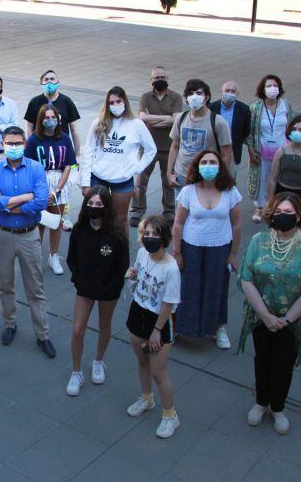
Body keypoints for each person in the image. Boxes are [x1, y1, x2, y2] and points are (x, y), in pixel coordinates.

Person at [237, 192, 301, 435]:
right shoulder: (258, 241)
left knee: (283, 365)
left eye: (288, 213)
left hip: (291, 322)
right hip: (259, 316)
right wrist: (265, 315)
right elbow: (246, 278)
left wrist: (286, 319)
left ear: (299, 216)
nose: (282, 217)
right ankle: (260, 402)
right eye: (278, 212)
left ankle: (278, 408)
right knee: (262, 359)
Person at [0, 127, 55, 358]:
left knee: (35, 288)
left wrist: (9, 205)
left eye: (17, 143)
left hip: (28, 234)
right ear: (3, 144)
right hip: (1, 234)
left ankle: (42, 334)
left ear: (24, 144)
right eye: (9, 143)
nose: (13, 147)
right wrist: (26, 198)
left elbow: (41, 201)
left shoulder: (35, 168)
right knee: (5, 283)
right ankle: (10, 324)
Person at [171, 149, 242, 349]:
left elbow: (236, 224)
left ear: (220, 167)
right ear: (197, 166)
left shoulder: (230, 191)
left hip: (220, 248)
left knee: (216, 287)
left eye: (213, 162)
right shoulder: (188, 191)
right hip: (191, 247)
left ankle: (218, 328)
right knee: (188, 288)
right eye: (204, 162)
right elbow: (178, 223)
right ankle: (179, 327)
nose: (208, 166)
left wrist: (233, 254)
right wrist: (176, 252)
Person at [65, 187, 128, 397]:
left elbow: (122, 265)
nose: (94, 208)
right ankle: (76, 372)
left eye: (99, 205)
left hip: (109, 290)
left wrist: (113, 286)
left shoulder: (117, 234)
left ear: (107, 207)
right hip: (85, 288)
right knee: (77, 330)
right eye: (90, 204)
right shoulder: (79, 230)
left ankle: (99, 361)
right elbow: (71, 259)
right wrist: (78, 279)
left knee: (104, 325)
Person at [124, 215, 182, 439]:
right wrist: (132, 275)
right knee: (141, 360)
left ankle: (170, 416)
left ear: (164, 238)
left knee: (159, 373)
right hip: (138, 311)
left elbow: (169, 302)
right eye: (146, 234)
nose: (149, 238)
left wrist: (157, 330)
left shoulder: (171, 268)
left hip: (158, 320)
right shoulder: (141, 254)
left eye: (155, 234)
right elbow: (137, 273)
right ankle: (146, 399)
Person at [79, 86, 156, 236]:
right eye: (111, 102)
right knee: (95, 216)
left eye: (118, 101)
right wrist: (85, 182)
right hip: (98, 177)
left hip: (122, 180)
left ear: (125, 102)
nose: (115, 105)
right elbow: (88, 152)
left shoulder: (136, 124)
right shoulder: (98, 123)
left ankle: (122, 254)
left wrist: (137, 168)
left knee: (120, 219)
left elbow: (151, 150)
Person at [27, 104, 79, 275]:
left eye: (53, 117)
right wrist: (41, 190)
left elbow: (68, 166)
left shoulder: (64, 138)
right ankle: (35, 257)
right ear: (41, 120)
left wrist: (56, 190)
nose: (50, 120)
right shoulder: (34, 139)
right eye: (46, 117)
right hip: (40, 182)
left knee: (56, 222)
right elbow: (30, 166)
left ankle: (54, 256)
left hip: (59, 184)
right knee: (40, 222)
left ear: (58, 119)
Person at [133, 67, 183, 224]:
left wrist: (151, 119)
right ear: (151, 80)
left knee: (168, 181)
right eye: (156, 77)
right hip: (148, 147)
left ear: (168, 79)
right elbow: (142, 118)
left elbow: (175, 119)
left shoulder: (176, 97)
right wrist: (165, 118)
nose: (159, 79)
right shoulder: (145, 97)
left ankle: (169, 212)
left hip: (169, 147)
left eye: (162, 76)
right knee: (141, 180)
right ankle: (137, 210)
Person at [168, 79, 233, 188]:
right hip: (181, 177)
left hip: (206, 178)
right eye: (190, 93)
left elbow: (226, 154)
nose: (194, 96)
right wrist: (169, 173)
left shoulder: (218, 122)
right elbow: (174, 146)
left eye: (198, 93)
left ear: (206, 97)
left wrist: (221, 178)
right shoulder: (181, 118)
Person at [245, 75, 293, 224]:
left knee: (278, 178)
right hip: (262, 151)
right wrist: (252, 152)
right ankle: (260, 207)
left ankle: (276, 206)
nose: (272, 88)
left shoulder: (285, 104)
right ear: (262, 89)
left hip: (281, 150)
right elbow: (250, 132)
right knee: (261, 178)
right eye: (268, 86)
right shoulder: (255, 108)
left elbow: (290, 125)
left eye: (275, 85)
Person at [23, 69, 82, 148]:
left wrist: (77, 153)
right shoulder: (34, 102)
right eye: (46, 79)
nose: (49, 82)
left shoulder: (66, 101)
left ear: (58, 82)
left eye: (52, 79)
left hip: (61, 145)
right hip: (40, 146)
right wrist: (29, 147)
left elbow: (74, 130)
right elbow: (29, 127)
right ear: (41, 83)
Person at [208, 80, 252, 176]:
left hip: (232, 152)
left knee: (229, 181)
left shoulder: (244, 110)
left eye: (233, 91)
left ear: (237, 93)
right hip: (213, 149)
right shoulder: (211, 108)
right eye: (227, 90)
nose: (230, 93)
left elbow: (246, 132)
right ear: (222, 91)